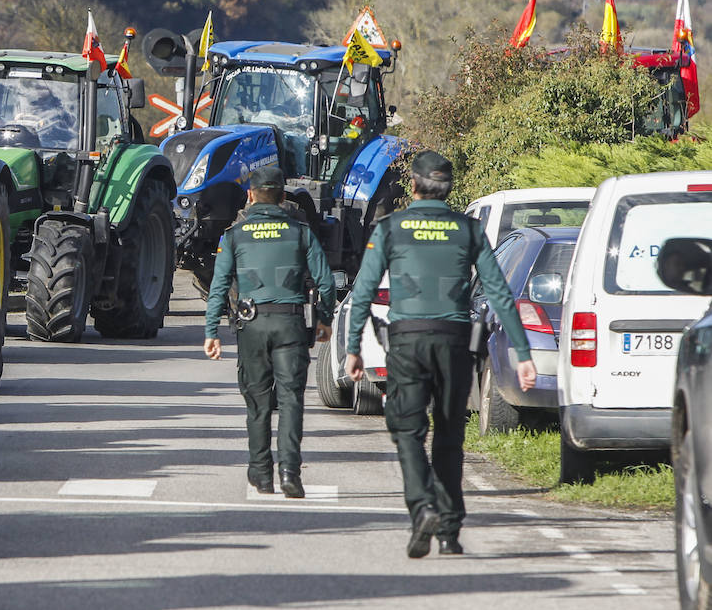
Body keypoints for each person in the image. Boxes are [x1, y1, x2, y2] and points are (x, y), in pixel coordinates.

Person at [346, 151, 537, 559]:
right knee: (450, 435)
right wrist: (522, 351)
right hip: (454, 342)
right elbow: (500, 293)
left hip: (407, 342)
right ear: (448, 186)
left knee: (407, 430)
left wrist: (351, 349)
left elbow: (362, 290)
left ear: (413, 185)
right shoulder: (468, 229)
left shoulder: (390, 227)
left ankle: (423, 508)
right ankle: (449, 532)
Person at [204, 165, 335, 498]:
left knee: (258, 403)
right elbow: (325, 281)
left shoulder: (234, 235)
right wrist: (324, 319)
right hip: (290, 324)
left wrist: (211, 331)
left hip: (252, 325)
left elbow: (219, 285)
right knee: (291, 401)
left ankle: (261, 474)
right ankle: (290, 473)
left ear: (250, 195)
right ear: (282, 196)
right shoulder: (301, 232)